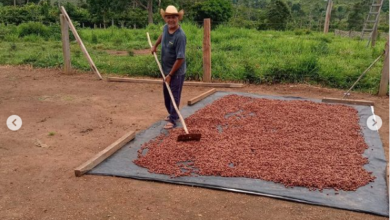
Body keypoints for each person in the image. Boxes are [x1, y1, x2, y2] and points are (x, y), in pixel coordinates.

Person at [151, 5, 187, 130]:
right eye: (168, 17)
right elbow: (162, 35)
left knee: (174, 95)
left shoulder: (180, 36)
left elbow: (180, 58)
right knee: (167, 95)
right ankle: (172, 113)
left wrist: (171, 75)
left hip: (176, 72)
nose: (171, 20)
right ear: (165, 18)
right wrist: (155, 45)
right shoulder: (166, 28)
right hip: (165, 69)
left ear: (178, 18)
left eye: (173, 17)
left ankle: (173, 119)